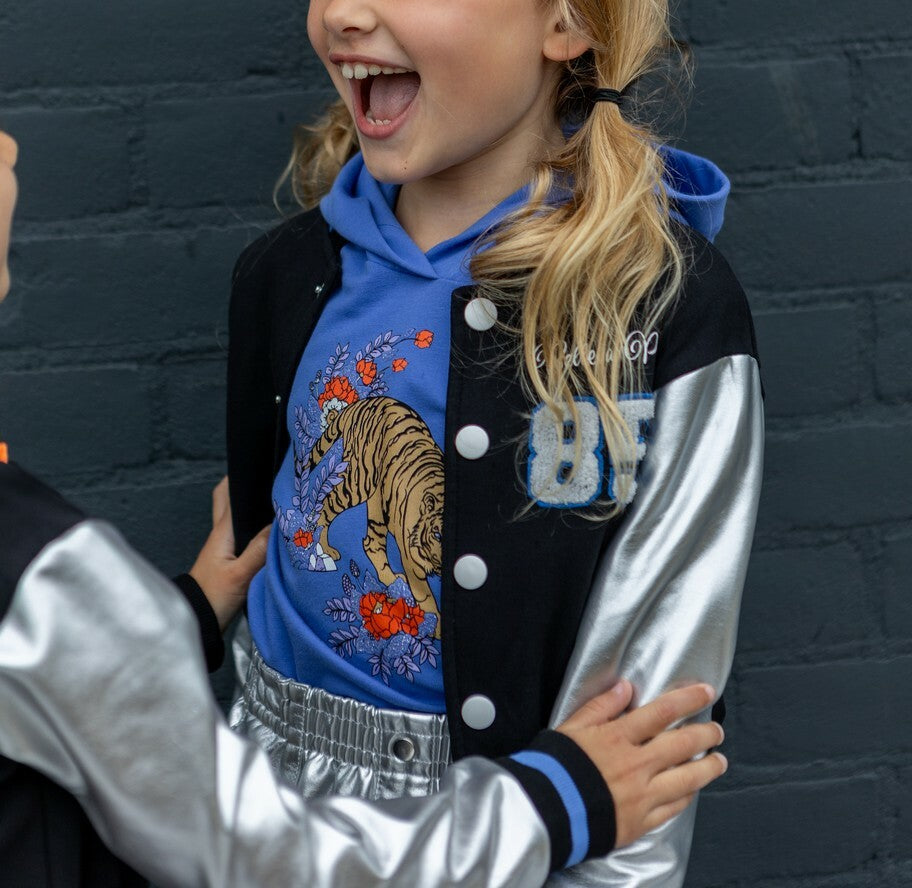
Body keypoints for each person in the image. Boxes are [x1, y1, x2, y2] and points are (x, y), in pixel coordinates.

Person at [184, 0, 764, 885]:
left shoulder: (661, 313)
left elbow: (656, 700)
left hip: (513, 824)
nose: (346, 11)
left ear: (568, 12)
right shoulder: (284, 277)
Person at [0, 126, 728, 888]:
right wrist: (559, 803)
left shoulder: (677, 308)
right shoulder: (37, 569)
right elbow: (255, 847)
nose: (13, 145)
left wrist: (188, 609)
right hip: (346, 802)